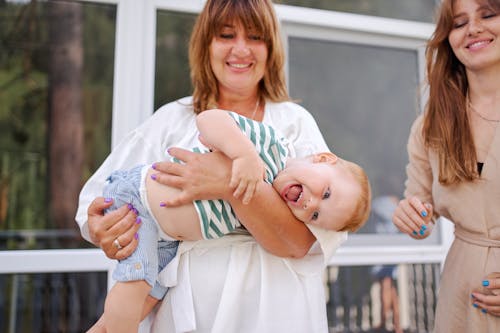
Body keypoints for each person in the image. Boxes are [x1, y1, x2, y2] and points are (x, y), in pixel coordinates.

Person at [76, 0, 361, 332]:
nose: (240, 49)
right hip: (190, 310)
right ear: (205, 45)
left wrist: (227, 183)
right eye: (226, 35)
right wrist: (103, 228)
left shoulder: (293, 122)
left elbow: (302, 241)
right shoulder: (173, 120)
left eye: (255, 37)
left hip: (277, 312)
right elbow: (99, 199)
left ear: (271, 48)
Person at [89, 109, 370, 333]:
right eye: (326, 193)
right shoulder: (270, 148)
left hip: (169, 243)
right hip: (141, 206)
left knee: (148, 296)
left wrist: (230, 185)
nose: (311, 205)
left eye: (316, 216)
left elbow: (297, 244)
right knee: (133, 289)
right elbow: (209, 119)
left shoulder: (278, 182)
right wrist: (243, 155)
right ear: (322, 157)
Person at [391, 0, 500, 331]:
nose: (473, 29)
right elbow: (421, 211)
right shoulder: (430, 126)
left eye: (488, 14)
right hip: (461, 293)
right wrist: (411, 216)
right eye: (458, 23)